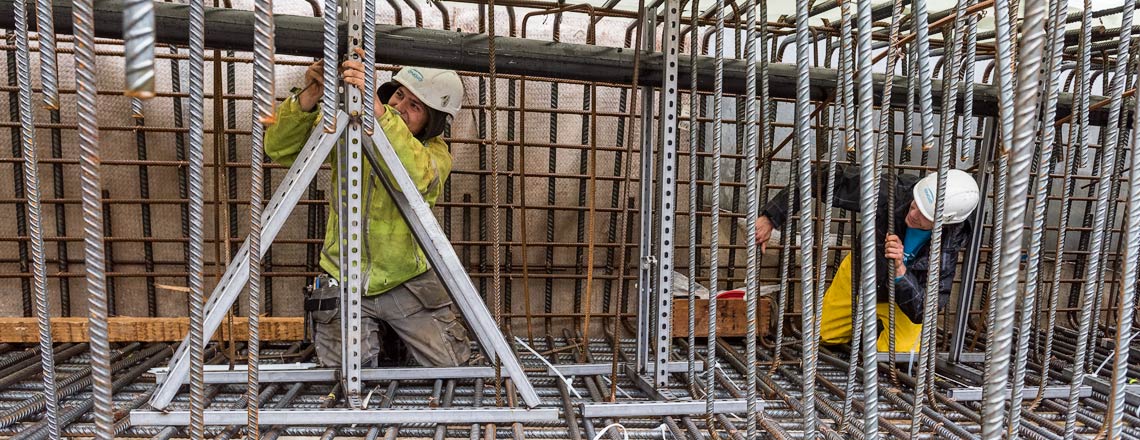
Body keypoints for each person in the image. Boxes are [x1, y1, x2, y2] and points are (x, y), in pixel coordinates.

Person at [264, 49, 471, 368]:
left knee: (452, 368)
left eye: (414, 106)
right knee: (349, 379)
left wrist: (381, 117)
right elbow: (279, 148)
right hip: (344, 276)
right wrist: (310, 97)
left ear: (434, 124)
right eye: (399, 95)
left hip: (405, 280)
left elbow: (416, 178)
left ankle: (392, 341)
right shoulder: (350, 129)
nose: (399, 107)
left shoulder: (436, 155)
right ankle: (379, 342)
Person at [754, 164, 980, 352]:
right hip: (863, 273)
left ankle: (881, 334)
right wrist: (770, 217)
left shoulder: (951, 240)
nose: (912, 215)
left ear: (945, 222)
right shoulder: (893, 192)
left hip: (903, 296)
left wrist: (901, 270)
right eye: (914, 205)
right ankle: (869, 328)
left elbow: (925, 309)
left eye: (923, 216)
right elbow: (820, 177)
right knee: (823, 335)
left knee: (898, 354)